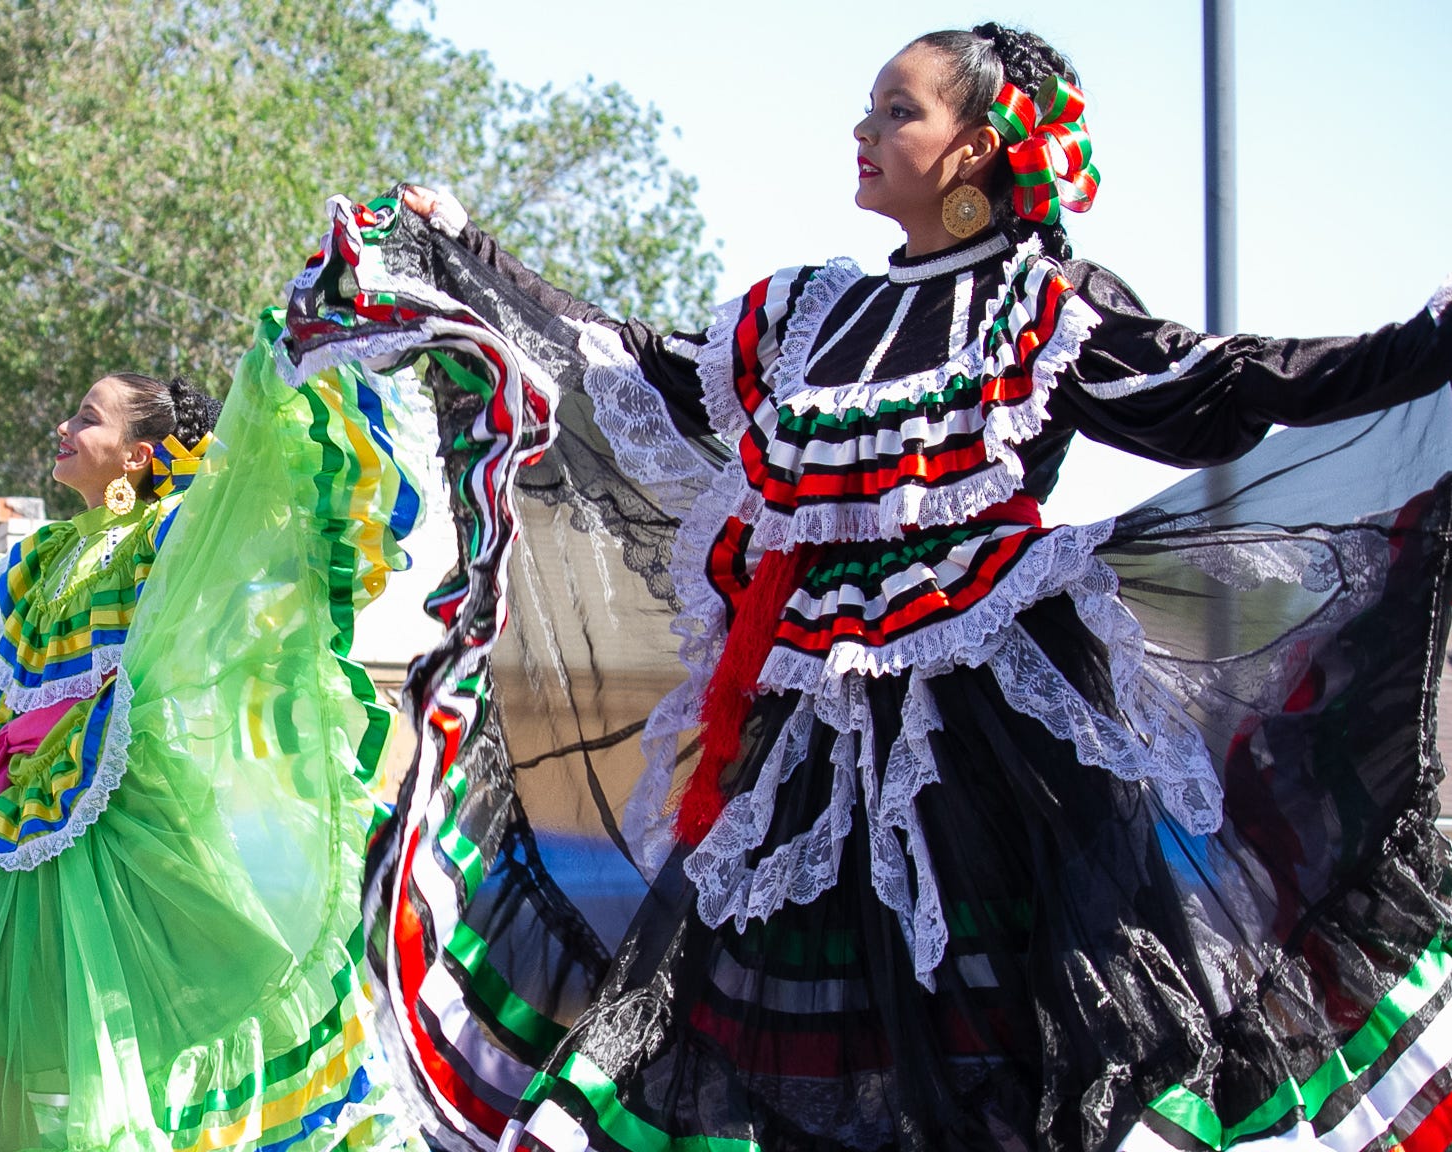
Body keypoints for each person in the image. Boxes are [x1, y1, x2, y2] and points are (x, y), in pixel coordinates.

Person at [264, 21, 1452, 1152]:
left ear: (976, 150)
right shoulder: (802, 315)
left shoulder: (1040, 310)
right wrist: (466, 260)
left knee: (1014, 1035)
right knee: (748, 1020)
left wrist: (1423, 344)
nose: (864, 128)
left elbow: (1230, 386)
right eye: (869, 105)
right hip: (802, 736)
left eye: (898, 109)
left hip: (994, 746)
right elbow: (623, 362)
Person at [0, 356, 425, 1151]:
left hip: (109, 819)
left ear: (136, 455)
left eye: (87, 417)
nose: (64, 427)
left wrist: (277, 378)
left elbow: (224, 575)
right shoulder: (41, 556)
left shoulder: (167, 534)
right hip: (21, 813)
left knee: (99, 1045)